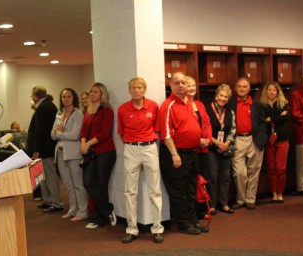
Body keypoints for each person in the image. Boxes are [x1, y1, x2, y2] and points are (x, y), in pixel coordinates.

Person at [159, 72, 207, 235]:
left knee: (190, 190)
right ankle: (184, 224)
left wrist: (198, 139)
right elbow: (165, 134)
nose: (180, 85)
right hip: (176, 154)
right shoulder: (168, 105)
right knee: (178, 192)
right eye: (176, 83)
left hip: (192, 153)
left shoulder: (188, 103)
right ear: (171, 85)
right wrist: (174, 154)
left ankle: (193, 221)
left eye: (183, 83)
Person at [117, 77, 164, 244]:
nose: (136, 90)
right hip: (130, 149)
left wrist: (144, 145)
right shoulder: (123, 109)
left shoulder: (153, 106)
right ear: (129, 90)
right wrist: (132, 145)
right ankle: (131, 229)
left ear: (144, 90)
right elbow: (121, 132)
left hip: (150, 148)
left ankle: (157, 228)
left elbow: (157, 129)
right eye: (133, 88)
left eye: (139, 88)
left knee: (155, 190)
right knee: (130, 191)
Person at [80, 82, 117, 229]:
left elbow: (104, 133)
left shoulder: (107, 111)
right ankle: (108, 210)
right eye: (91, 91)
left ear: (102, 94)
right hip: (90, 153)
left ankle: (98, 218)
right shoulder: (87, 112)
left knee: (101, 185)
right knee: (88, 183)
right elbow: (83, 131)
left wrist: (87, 144)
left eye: (96, 91)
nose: (93, 94)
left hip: (105, 152)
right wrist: (84, 144)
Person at [229, 77, 267, 210]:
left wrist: (262, 139)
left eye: (245, 87)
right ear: (235, 88)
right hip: (237, 140)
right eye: (239, 86)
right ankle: (240, 199)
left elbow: (263, 123)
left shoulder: (257, 104)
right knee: (239, 173)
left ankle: (250, 199)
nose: (242, 89)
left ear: (249, 89)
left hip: (254, 139)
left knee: (254, 171)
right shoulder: (230, 103)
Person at [51, 88, 88, 221]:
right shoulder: (59, 113)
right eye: (63, 97)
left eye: (68, 97)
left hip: (73, 153)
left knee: (78, 184)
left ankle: (83, 211)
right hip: (60, 153)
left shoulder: (78, 114)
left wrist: (59, 133)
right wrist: (58, 133)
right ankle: (73, 209)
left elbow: (75, 135)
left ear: (74, 98)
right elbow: (52, 135)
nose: (65, 99)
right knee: (67, 184)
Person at [28, 86, 64, 213]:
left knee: (49, 175)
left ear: (36, 96)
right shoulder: (49, 105)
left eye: (32, 95)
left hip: (45, 148)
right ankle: (48, 200)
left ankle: (55, 202)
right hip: (47, 147)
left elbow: (40, 130)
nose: (31, 97)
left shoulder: (43, 108)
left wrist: (36, 149)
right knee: (43, 176)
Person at [204, 84, 236, 214]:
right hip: (212, 149)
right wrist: (218, 143)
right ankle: (212, 205)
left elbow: (233, 129)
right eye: (221, 95)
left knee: (225, 177)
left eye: (226, 97)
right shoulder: (207, 110)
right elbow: (205, 130)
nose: (223, 98)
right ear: (216, 96)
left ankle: (224, 204)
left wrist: (227, 143)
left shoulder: (230, 112)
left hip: (226, 149)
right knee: (212, 177)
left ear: (228, 99)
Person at [185, 76, 213, 216]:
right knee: (192, 180)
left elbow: (207, 123)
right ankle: (193, 211)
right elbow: (187, 128)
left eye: (193, 86)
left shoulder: (200, 104)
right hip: (192, 149)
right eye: (188, 85)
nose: (191, 88)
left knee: (203, 179)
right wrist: (198, 140)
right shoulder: (183, 105)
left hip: (204, 148)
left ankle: (202, 209)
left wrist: (207, 139)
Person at [260, 82, 290, 204]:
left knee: (280, 168)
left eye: (274, 90)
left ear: (278, 92)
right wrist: (278, 117)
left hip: (282, 139)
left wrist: (271, 119)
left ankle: (280, 193)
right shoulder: (262, 105)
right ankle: (273, 193)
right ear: (266, 92)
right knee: (271, 167)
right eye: (269, 90)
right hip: (268, 140)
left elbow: (286, 118)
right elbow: (262, 120)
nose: (271, 92)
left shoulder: (283, 103)